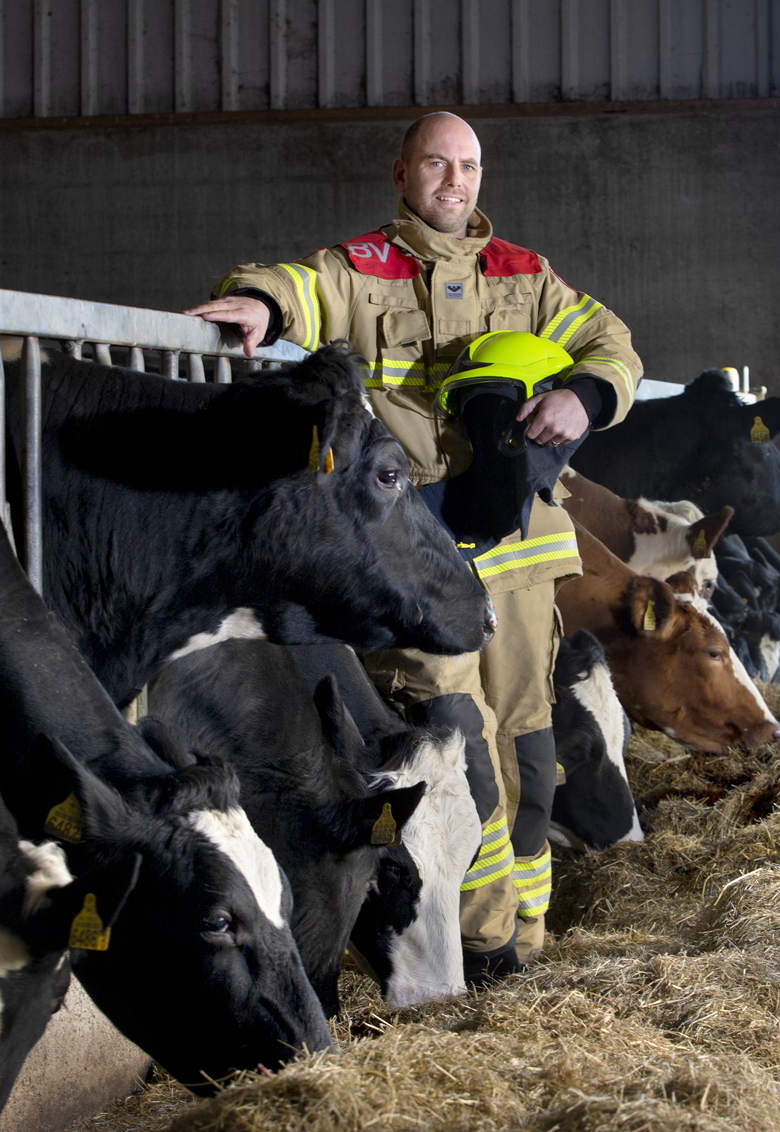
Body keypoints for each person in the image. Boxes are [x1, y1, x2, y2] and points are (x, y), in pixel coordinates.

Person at [185, 111, 642, 979]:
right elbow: (295, 284)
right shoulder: (364, 270)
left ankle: (530, 945)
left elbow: (613, 345)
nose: (454, 181)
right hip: (414, 567)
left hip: (518, 554)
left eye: (468, 165)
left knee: (530, 754)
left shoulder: (526, 274)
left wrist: (584, 396)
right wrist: (261, 303)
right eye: (437, 164)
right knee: (456, 747)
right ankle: (481, 950)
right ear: (403, 175)